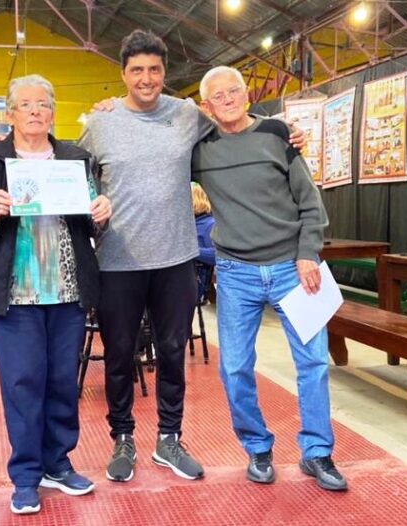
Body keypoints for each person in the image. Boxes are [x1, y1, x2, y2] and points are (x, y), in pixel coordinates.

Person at [79, 29, 305, 483]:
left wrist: (283, 129)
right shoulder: (100, 124)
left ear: (164, 73)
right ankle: (122, 438)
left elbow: (233, 118)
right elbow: (76, 171)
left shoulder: (185, 114)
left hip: (176, 259)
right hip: (117, 261)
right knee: (120, 355)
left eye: (155, 70)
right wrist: (91, 205)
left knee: (171, 353)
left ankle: (169, 439)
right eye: (137, 70)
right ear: (122, 75)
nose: (146, 79)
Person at [192, 66, 347, 492]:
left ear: (246, 95)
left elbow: (309, 202)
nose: (227, 100)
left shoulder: (278, 135)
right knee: (235, 366)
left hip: (292, 269)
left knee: (313, 364)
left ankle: (318, 453)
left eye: (234, 92)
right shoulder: (199, 150)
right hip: (235, 272)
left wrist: (306, 253)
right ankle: (257, 446)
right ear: (205, 106)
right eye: (217, 96)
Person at [0, 74, 111, 515]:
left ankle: (58, 463)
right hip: (15, 293)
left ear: (53, 112)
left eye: (43, 105)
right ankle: (26, 475)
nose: (35, 112)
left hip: (67, 289)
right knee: (22, 383)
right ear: (10, 114)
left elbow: (91, 222)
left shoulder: (74, 157)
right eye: (25, 105)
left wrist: (101, 212)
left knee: (62, 383)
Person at [191, 182, 215, 301]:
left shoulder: (209, 225)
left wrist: (191, 250)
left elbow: (215, 256)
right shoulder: (190, 224)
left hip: (198, 283)